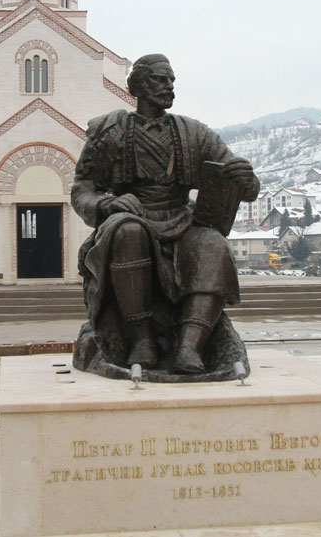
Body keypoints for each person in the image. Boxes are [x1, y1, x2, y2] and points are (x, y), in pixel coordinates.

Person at [71, 54, 260, 375]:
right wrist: (106, 205)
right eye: (161, 79)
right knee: (127, 230)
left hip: (182, 221)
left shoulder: (193, 132)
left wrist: (245, 179)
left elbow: (239, 181)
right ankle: (140, 338)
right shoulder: (111, 130)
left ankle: (190, 344)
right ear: (139, 85)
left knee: (212, 243)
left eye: (172, 80)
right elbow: (82, 189)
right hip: (131, 218)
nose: (169, 86)